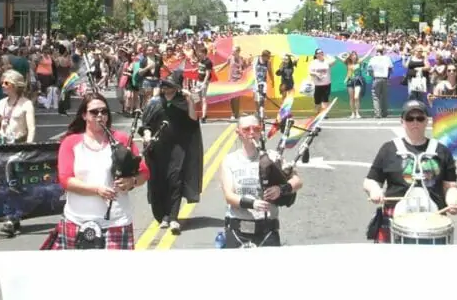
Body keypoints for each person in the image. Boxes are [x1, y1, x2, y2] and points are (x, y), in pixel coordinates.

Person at [42, 93, 149, 250]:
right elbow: (65, 179)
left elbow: (144, 172)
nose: (100, 115)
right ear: (84, 115)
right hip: (77, 221)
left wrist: (131, 182)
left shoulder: (122, 140)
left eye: (104, 111)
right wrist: (96, 190)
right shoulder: (71, 142)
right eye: (94, 112)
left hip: (116, 222)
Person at [362, 99, 457, 243]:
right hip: (395, 220)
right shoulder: (388, 149)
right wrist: (374, 190)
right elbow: (370, 181)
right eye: (410, 118)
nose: (415, 122)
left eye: (420, 118)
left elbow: (450, 186)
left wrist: (453, 201)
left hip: (433, 222)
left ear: (427, 121)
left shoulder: (442, 151)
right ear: (402, 121)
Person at [219, 115, 302, 247]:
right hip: (237, 231)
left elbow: (297, 181)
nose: (252, 132)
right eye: (246, 129)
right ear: (238, 132)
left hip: (267, 230)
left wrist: (281, 189)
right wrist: (253, 203)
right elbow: (229, 196)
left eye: (256, 129)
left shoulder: (273, 157)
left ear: (261, 131)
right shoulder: (230, 160)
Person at [140, 70, 204, 234]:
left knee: (175, 181)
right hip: (157, 149)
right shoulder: (154, 102)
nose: (166, 88)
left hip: (178, 148)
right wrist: (147, 135)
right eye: (164, 85)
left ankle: (174, 217)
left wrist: (190, 97)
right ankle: (163, 216)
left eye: (170, 85)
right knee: (158, 182)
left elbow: (193, 119)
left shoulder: (183, 101)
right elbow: (145, 124)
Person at [0, 69, 36, 237]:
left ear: (15, 85)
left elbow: (31, 128)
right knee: (3, 182)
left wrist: (29, 147)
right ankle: (11, 217)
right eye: (2, 82)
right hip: (4, 145)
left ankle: (12, 218)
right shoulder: (1, 103)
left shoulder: (26, 104)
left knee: (13, 181)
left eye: (6, 83)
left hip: (19, 147)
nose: (3, 86)